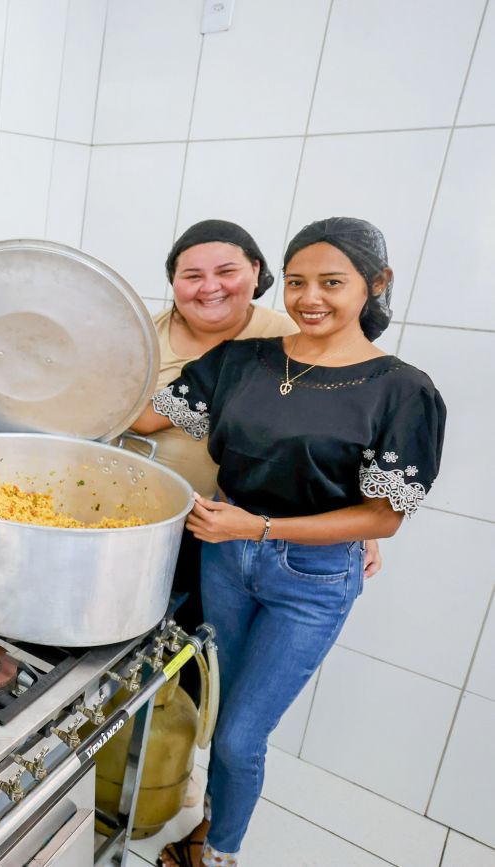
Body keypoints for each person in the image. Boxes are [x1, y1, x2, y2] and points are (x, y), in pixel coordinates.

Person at [131, 217, 446, 867]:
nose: (310, 297)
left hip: (310, 577)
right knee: (221, 715)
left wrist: (261, 527)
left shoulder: (402, 390)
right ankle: (210, 823)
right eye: (299, 280)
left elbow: (382, 518)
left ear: (376, 285)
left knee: (243, 735)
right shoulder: (241, 360)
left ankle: (219, 852)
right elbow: (137, 416)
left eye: (333, 282)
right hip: (224, 557)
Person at [148, 220, 301, 644]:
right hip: (132, 522)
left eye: (226, 271)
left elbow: (330, 434)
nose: (209, 287)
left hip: (225, 535)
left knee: (193, 655)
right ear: (174, 283)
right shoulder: (141, 335)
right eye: (192, 276)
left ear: (255, 270)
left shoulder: (288, 339)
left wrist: (356, 530)